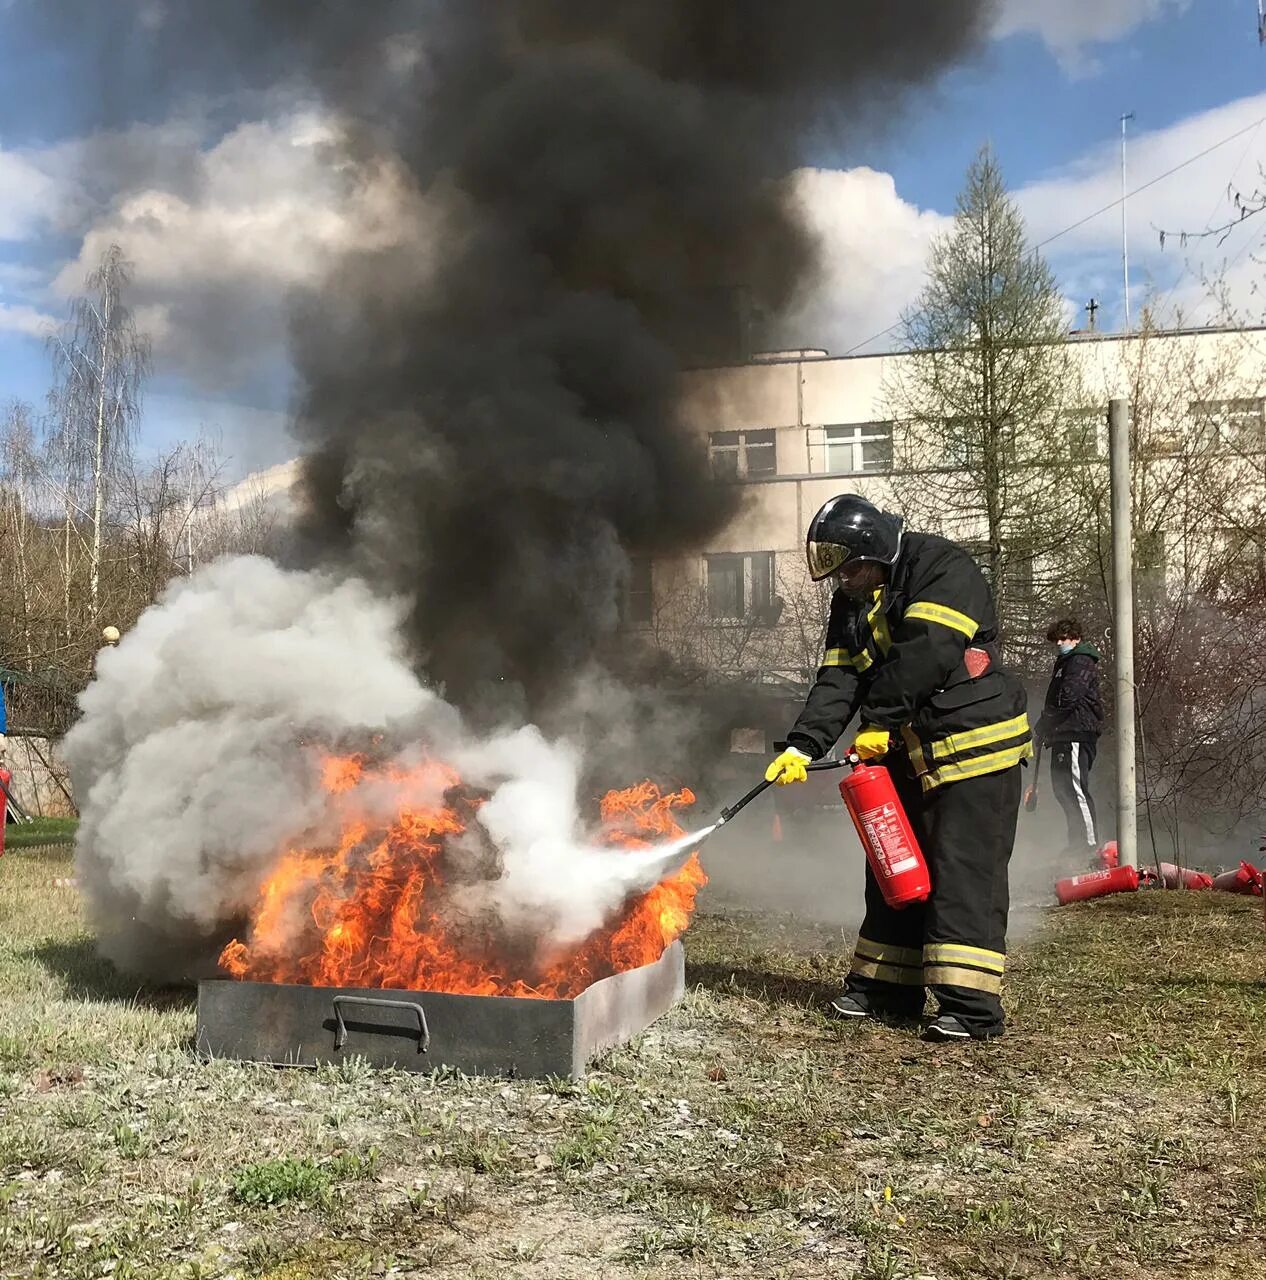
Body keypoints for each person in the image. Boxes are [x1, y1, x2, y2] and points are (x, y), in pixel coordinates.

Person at [765, 494, 1031, 1042]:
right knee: (893, 866)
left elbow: (926, 651)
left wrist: (878, 721)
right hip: (909, 750)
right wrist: (803, 745)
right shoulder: (853, 600)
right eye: (839, 575)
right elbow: (839, 678)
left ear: (877, 552)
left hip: (974, 750)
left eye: (853, 570)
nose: (846, 582)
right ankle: (888, 987)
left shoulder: (943, 568)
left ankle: (972, 1007)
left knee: (962, 872)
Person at [1031, 617, 1104, 863]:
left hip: (1076, 732)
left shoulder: (1080, 661)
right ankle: (1077, 842)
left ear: (1076, 638)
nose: (1060, 643)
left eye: (1064, 638)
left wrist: (1044, 722)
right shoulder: (1064, 662)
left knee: (1074, 789)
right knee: (1062, 790)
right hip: (1062, 734)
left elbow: (1068, 698)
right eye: (1057, 640)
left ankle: (1088, 845)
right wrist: (1046, 729)